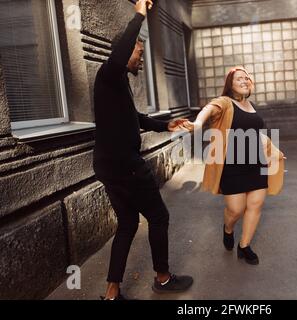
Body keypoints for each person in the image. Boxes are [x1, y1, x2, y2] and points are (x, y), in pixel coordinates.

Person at [93, 0, 193, 300]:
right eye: (139, 52)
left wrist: (166, 126)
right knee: (159, 217)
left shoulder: (116, 83)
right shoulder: (109, 73)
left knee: (127, 223)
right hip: (127, 167)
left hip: (110, 166)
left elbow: (133, 118)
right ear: (124, 54)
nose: (140, 58)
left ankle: (112, 293)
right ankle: (162, 278)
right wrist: (139, 15)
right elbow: (123, 50)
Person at [181, 67, 286, 265]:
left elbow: (256, 134)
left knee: (255, 205)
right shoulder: (225, 102)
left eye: (247, 78)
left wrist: (274, 151)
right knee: (235, 210)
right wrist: (197, 124)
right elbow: (209, 108)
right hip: (232, 166)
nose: (245, 80)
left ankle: (244, 245)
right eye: (239, 78)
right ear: (230, 83)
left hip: (257, 163)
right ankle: (228, 229)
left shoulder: (251, 105)